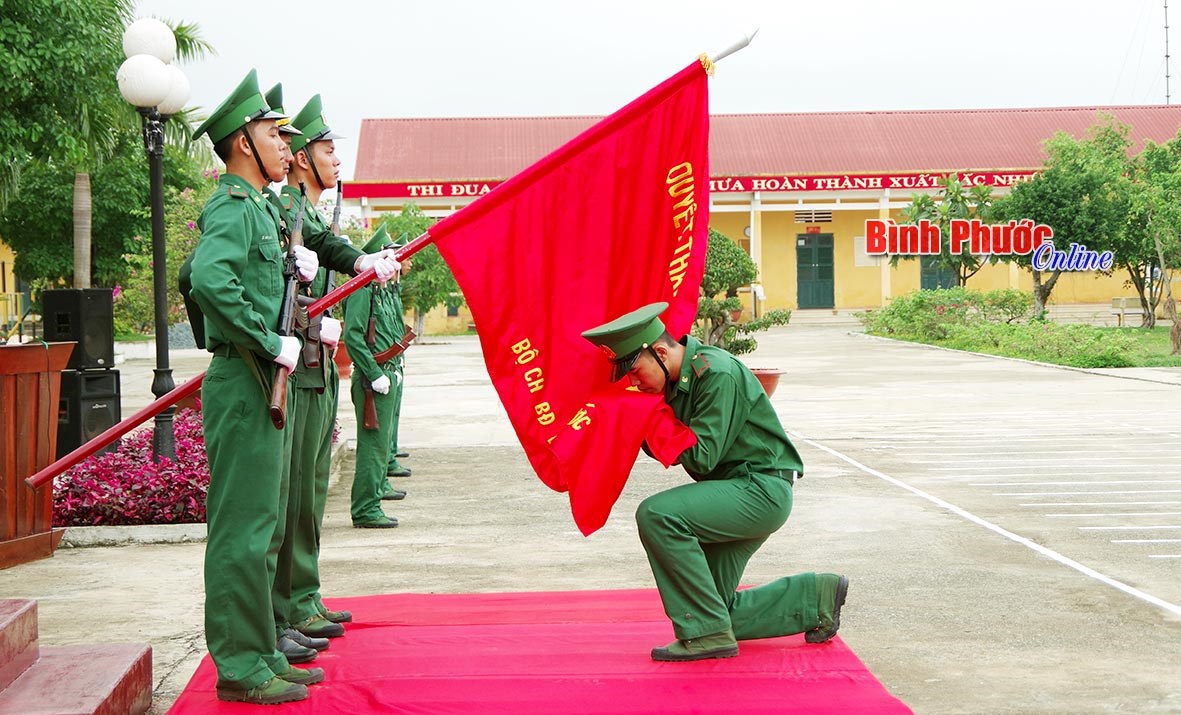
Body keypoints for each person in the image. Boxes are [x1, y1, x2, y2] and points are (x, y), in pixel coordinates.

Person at [187, 71, 399, 705]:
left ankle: (256, 652)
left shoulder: (258, 207)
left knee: (264, 524)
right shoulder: (231, 206)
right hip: (246, 376)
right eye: (271, 132)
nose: (285, 142)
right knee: (243, 531)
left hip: (262, 375)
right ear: (243, 144)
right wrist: (266, 338)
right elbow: (207, 280)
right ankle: (241, 663)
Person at [581, 302, 848, 662]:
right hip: (736, 489)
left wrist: (650, 420)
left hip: (759, 490)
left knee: (658, 514)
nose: (633, 381)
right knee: (715, 610)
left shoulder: (715, 373)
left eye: (634, 370)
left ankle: (706, 635)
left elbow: (701, 455)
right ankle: (815, 597)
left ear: (659, 352)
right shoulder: (677, 381)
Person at [344, 225, 408, 528]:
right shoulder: (362, 289)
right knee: (372, 446)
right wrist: (374, 372)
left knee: (381, 444)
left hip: (387, 372)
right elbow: (353, 336)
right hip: (374, 379)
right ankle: (366, 509)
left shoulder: (380, 288)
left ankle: (373, 497)